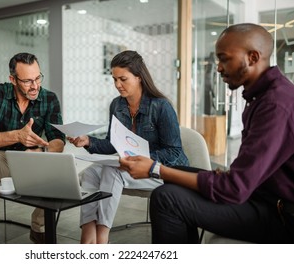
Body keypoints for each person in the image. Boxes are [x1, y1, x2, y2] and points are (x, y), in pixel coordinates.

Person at [120, 23, 294, 243]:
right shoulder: (262, 97)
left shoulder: (276, 105)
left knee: (166, 198)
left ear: (252, 57)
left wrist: (155, 169)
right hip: (260, 195)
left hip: (281, 216)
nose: (218, 67)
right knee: (176, 176)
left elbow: (235, 189)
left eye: (224, 58)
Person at [68, 50, 189, 244]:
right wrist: (88, 141)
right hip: (134, 167)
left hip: (165, 171)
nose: (117, 85)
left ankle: (102, 238)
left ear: (139, 77)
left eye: (123, 79)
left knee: (112, 170)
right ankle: (88, 233)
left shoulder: (161, 106)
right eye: (114, 79)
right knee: (91, 173)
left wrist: (142, 159)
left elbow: (174, 152)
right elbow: (111, 143)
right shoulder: (117, 105)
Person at [0, 52, 66, 244]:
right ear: (13, 79)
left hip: (32, 161)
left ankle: (39, 226)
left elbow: (58, 141)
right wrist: (17, 135)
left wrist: (41, 151)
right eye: (28, 81)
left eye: (38, 78)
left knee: (65, 169)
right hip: (1, 161)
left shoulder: (49, 98)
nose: (35, 86)